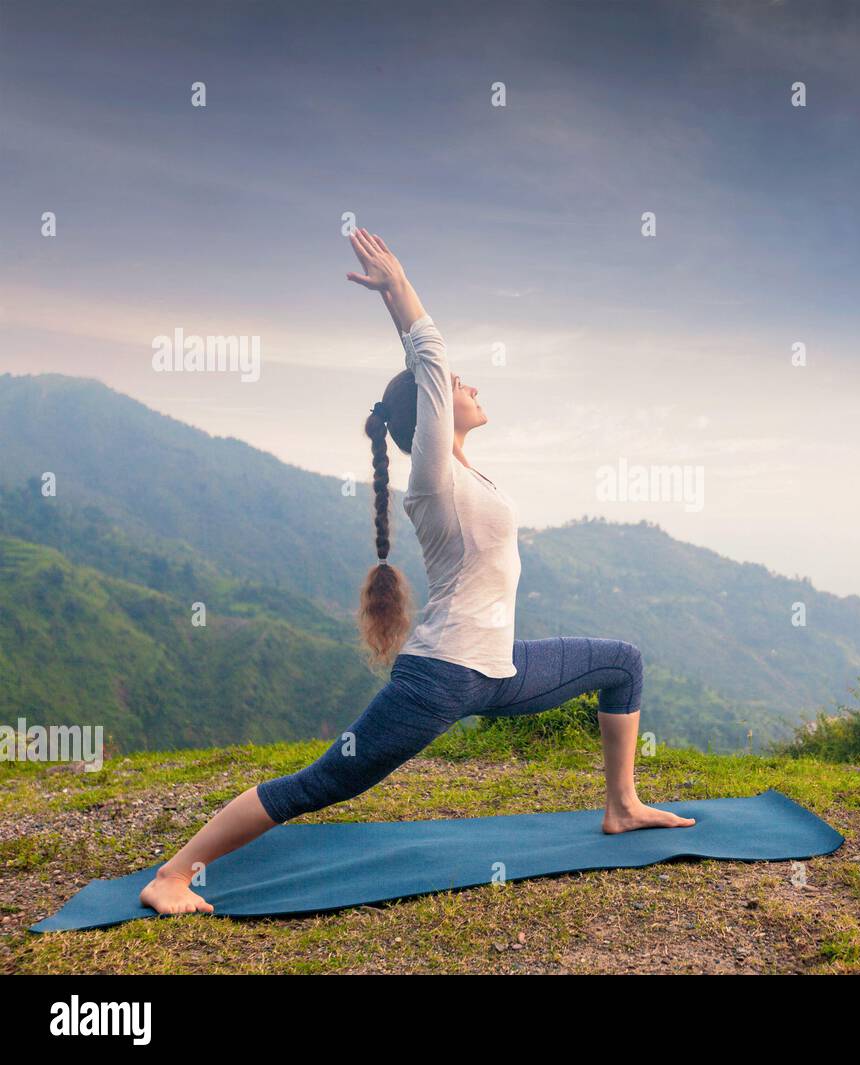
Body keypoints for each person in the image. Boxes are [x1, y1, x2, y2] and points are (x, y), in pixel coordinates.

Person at [141, 228, 693, 916]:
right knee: (318, 784)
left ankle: (622, 804)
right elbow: (430, 356)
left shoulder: (467, 473)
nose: (469, 384)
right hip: (439, 677)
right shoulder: (431, 476)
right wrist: (397, 289)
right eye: (458, 385)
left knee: (623, 663)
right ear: (429, 415)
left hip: (497, 671)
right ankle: (171, 875)